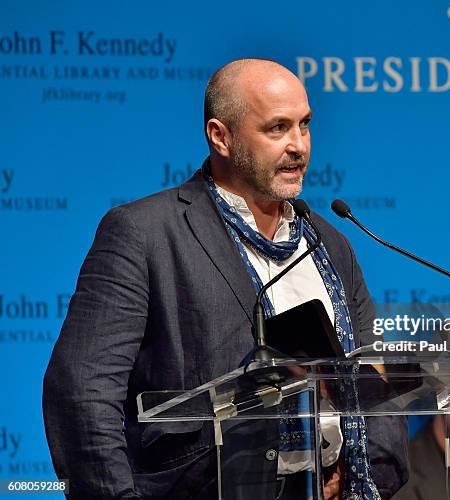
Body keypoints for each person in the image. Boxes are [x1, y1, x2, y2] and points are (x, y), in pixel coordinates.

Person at [42, 58, 408, 499]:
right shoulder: (146, 234)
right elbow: (82, 393)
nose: (299, 146)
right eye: (277, 129)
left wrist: (363, 477)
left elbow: (373, 382)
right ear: (221, 136)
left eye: (305, 125)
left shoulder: (330, 244)